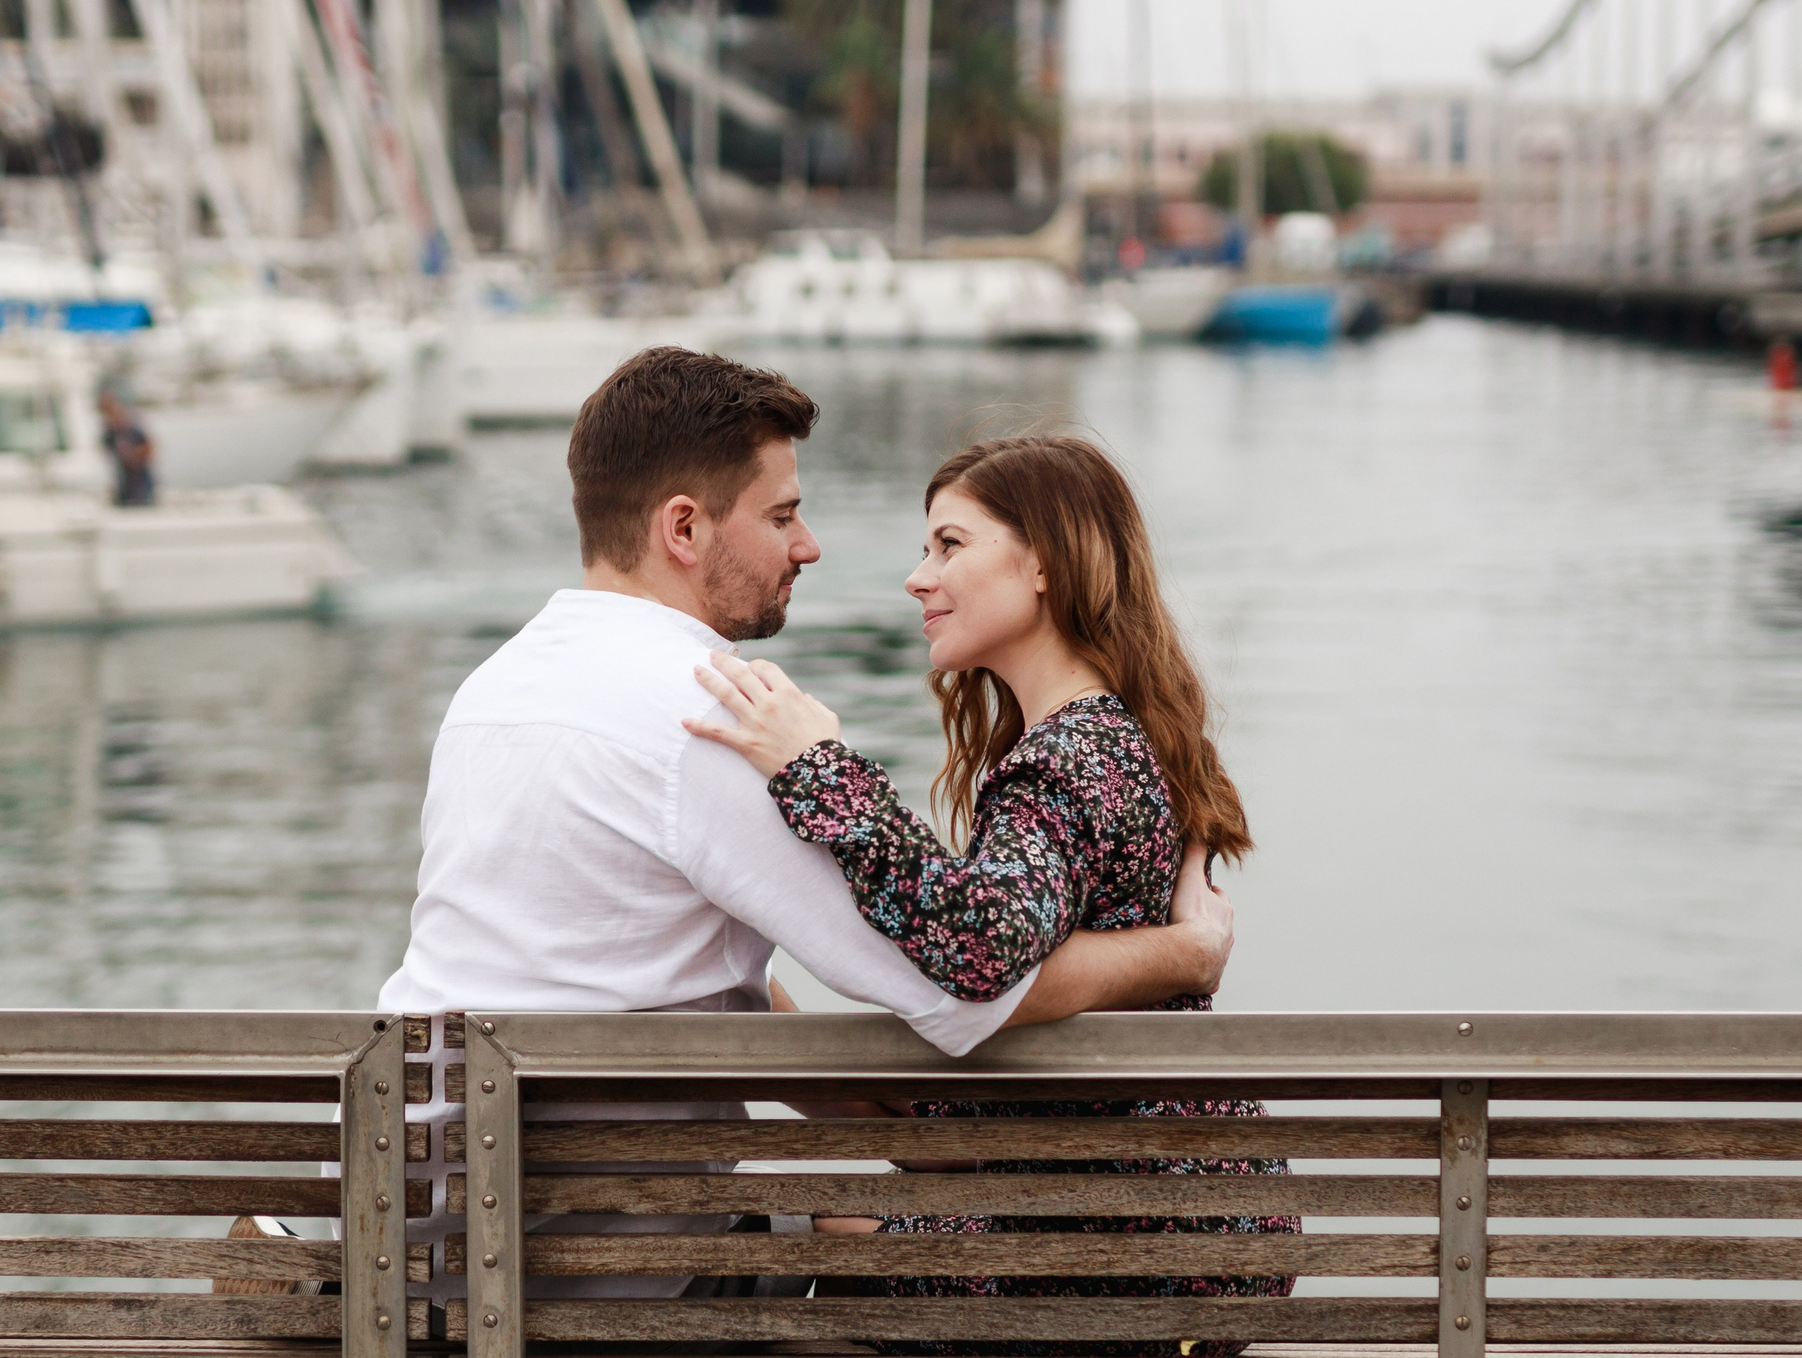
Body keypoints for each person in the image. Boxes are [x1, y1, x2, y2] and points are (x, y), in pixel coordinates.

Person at [372, 351, 1234, 1305]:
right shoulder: (716, 712)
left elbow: (643, 964)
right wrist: (1183, 952)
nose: (810, 544)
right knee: (834, 1226)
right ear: (686, 528)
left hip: (395, 1217)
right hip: (580, 1252)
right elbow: (957, 985)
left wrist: (880, 1123)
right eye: (782, 515)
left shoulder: (493, 689)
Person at [688, 434, 1296, 1356]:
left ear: (1044, 561)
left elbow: (978, 949)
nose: (917, 578)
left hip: (1129, 1254)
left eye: (949, 545)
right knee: (851, 1192)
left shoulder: (1066, 763)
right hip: (1197, 1224)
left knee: (831, 1220)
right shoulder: (1130, 734)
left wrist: (818, 766)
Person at [97, 391, 155, 507]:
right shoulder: (110, 431)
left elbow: (148, 446)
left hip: (138, 479)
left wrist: (134, 455)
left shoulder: (130, 426)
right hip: (125, 478)